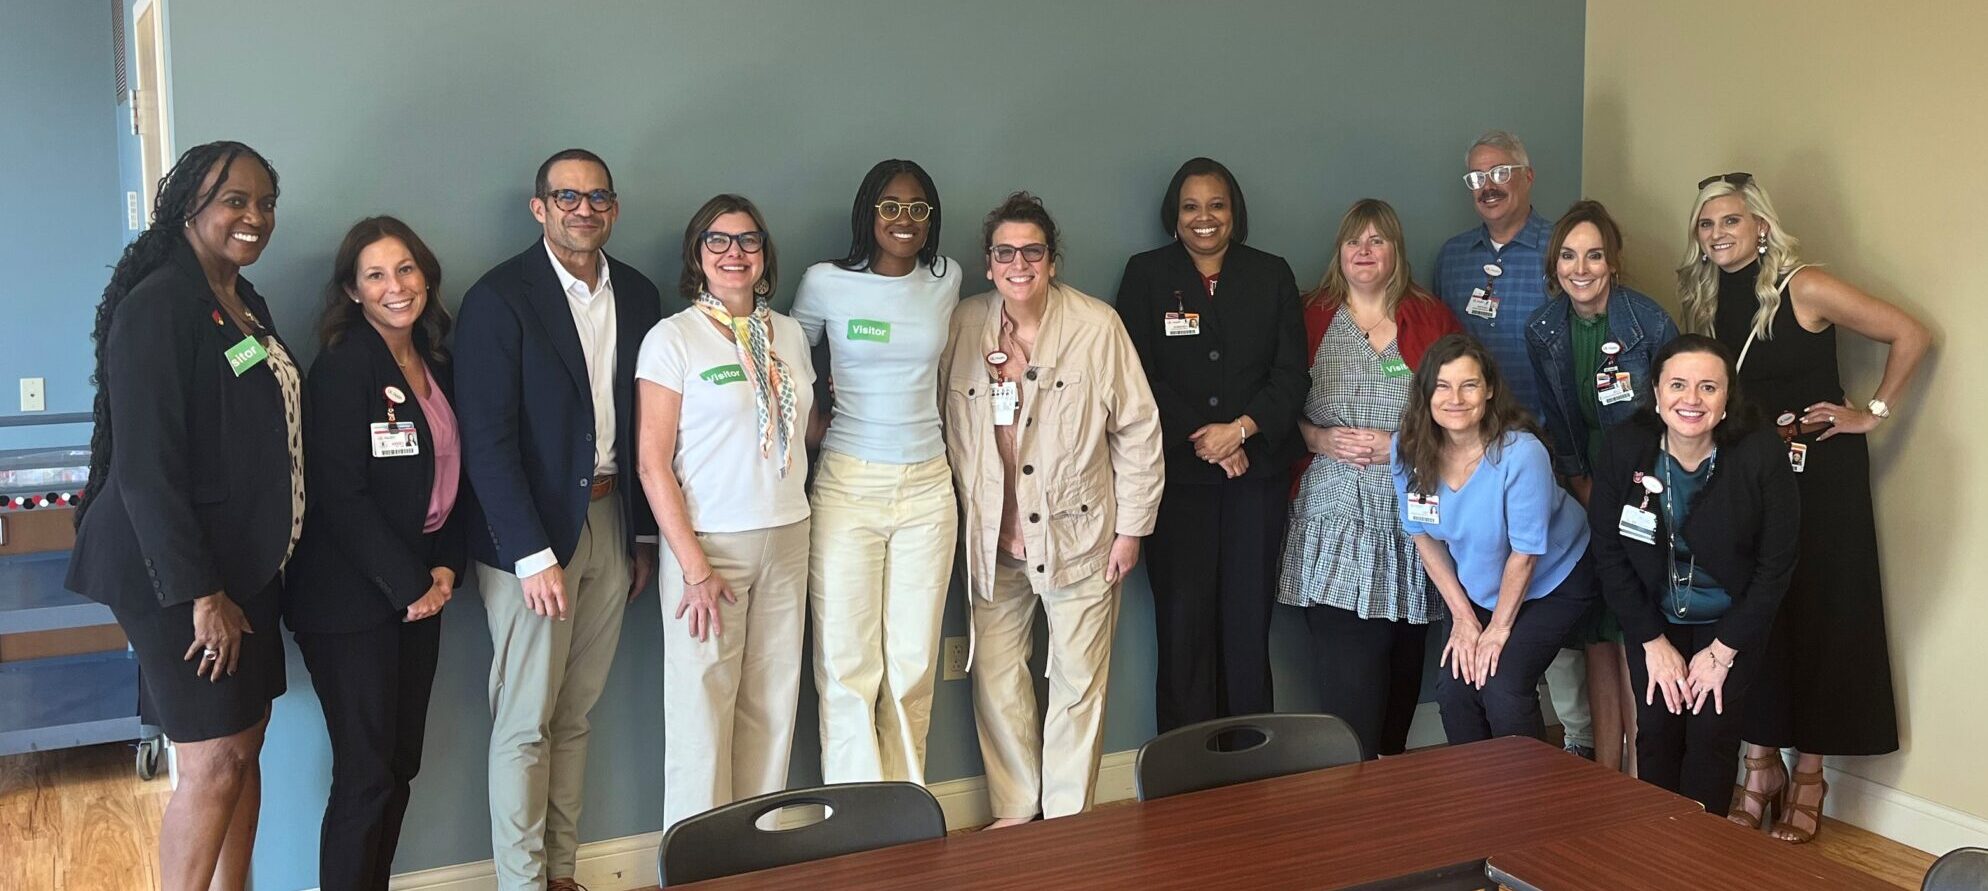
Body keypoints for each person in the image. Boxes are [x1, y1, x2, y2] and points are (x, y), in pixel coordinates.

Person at [68, 141, 296, 891]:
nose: (253, 217)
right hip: (178, 572)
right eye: (235, 200)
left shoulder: (241, 296)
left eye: (265, 202)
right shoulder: (158, 304)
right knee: (212, 758)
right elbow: (145, 469)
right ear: (188, 206)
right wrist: (203, 593)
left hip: (243, 562)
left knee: (246, 742)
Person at [1683, 172, 1931, 841]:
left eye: (1730, 221)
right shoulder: (1704, 301)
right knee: (1754, 616)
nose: (1718, 235)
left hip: (1821, 477)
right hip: (1748, 476)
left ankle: (1811, 773)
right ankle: (1759, 765)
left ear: (1761, 225)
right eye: (1707, 225)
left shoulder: (1805, 285)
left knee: (1821, 612)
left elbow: (1910, 332)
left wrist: (1870, 412)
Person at [453, 149, 663, 890]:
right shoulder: (499, 298)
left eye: (597, 195)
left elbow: (646, 424)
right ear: (539, 207)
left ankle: (563, 874)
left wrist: (641, 536)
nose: (584, 208)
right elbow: (485, 437)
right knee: (524, 723)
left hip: (610, 522)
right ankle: (520, 881)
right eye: (566, 196)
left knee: (575, 715)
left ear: (613, 207)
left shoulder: (638, 294)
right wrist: (528, 552)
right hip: (532, 539)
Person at [941, 192, 1163, 827]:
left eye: (1031, 252)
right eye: (1005, 253)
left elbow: (1140, 430)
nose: (1019, 264)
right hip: (991, 543)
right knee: (996, 679)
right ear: (989, 263)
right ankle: (1016, 817)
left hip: (1082, 538)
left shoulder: (1098, 326)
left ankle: (1068, 826)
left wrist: (1131, 531)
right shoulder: (963, 326)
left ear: (1052, 260)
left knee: (1077, 686)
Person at [286, 216, 468, 890]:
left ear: (426, 276)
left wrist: (446, 562)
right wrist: (408, 582)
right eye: (376, 274)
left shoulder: (437, 363)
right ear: (352, 291)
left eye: (406, 269)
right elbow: (339, 494)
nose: (396, 286)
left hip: (425, 586)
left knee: (399, 766)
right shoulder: (342, 368)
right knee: (365, 773)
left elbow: (457, 473)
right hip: (350, 600)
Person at [637, 195, 818, 829]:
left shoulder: (789, 334)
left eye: (747, 241)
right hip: (710, 547)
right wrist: (692, 566)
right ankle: (695, 862)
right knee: (701, 713)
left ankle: (756, 854)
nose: (734, 254)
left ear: (765, 254)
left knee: (771, 705)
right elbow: (652, 463)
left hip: (789, 534)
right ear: (697, 255)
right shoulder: (672, 338)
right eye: (718, 241)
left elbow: (801, 432)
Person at [1113, 157, 1307, 733]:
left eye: (1217, 205)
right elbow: (1136, 374)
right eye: (1191, 206)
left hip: (1257, 480)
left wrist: (1241, 430)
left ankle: (1251, 762)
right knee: (1183, 625)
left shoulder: (1270, 274)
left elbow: (1292, 374)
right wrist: (1208, 439)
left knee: (1248, 623)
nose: (1205, 218)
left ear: (1234, 211)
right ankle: (1185, 769)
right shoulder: (1146, 275)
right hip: (1177, 483)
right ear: (1174, 216)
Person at [791, 161, 960, 784]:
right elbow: (786, 358)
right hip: (847, 485)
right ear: (868, 213)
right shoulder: (825, 282)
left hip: (928, 486)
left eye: (918, 208)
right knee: (846, 661)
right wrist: (814, 424)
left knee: (914, 662)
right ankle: (856, 814)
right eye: (890, 206)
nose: (904, 220)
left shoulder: (947, 279)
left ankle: (906, 808)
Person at [1431, 128, 1594, 759]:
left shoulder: (1557, 249)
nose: (1488, 186)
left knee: (1549, 625)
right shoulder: (1453, 257)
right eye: (1475, 177)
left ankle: (1577, 742)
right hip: (1466, 448)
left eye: (1500, 172)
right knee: (1477, 663)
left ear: (1528, 176)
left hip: (1544, 446)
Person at [1587, 334, 1799, 815]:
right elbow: (1608, 550)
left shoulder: (1759, 452)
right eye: (1678, 385)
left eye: (1709, 387)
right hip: (1652, 619)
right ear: (1657, 394)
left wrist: (1723, 652)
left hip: (1730, 624)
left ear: (1727, 399)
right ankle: (1658, 853)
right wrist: (1651, 641)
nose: (1691, 399)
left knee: (1711, 733)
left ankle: (1701, 864)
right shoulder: (1627, 448)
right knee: (1657, 730)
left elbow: (1776, 565)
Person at [1279, 198, 1460, 757]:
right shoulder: (1308, 314)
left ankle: (1389, 780)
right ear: (1339, 251)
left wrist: (1400, 447)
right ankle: (1349, 790)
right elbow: (1274, 400)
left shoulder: (1430, 317)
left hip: (1411, 510)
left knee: (1404, 661)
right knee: (1347, 665)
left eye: (1377, 240)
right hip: (1330, 511)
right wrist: (1316, 438)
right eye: (1354, 240)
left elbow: (1463, 410)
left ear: (1396, 252)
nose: (1364, 250)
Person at [1523, 199, 1680, 775]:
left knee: (1637, 627)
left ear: (1612, 262)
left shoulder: (1649, 322)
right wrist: (1583, 487)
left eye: (1593, 255)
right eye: (1568, 256)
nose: (1580, 268)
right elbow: (1559, 421)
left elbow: (1678, 415)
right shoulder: (1542, 329)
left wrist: (1633, 499)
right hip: (1584, 485)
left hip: (1643, 486)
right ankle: (1606, 773)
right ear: (1554, 264)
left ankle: (1647, 769)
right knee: (1598, 632)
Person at [1390, 335, 1596, 744]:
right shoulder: (1408, 447)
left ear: (1488, 391)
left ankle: (1529, 804)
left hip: (1554, 578)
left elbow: (1525, 554)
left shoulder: (1521, 454)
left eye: (1469, 385)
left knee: (1501, 683)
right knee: (1454, 689)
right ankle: (1478, 799)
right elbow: (1423, 539)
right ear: (1426, 393)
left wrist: (1498, 630)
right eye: (1443, 386)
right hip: (1479, 583)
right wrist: (1465, 619)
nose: (1456, 399)